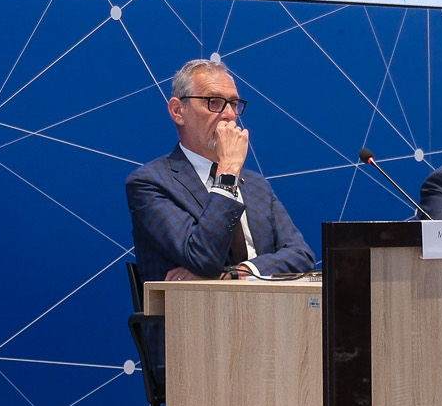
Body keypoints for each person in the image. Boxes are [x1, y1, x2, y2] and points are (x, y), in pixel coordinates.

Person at [125, 58, 316, 282]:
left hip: (263, 303)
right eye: (214, 102)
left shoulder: (256, 185)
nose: (229, 115)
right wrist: (228, 173)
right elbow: (202, 259)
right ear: (178, 111)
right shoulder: (150, 183)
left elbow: (301, 255)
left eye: (233, 104)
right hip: (191, 305)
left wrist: (238, 273)